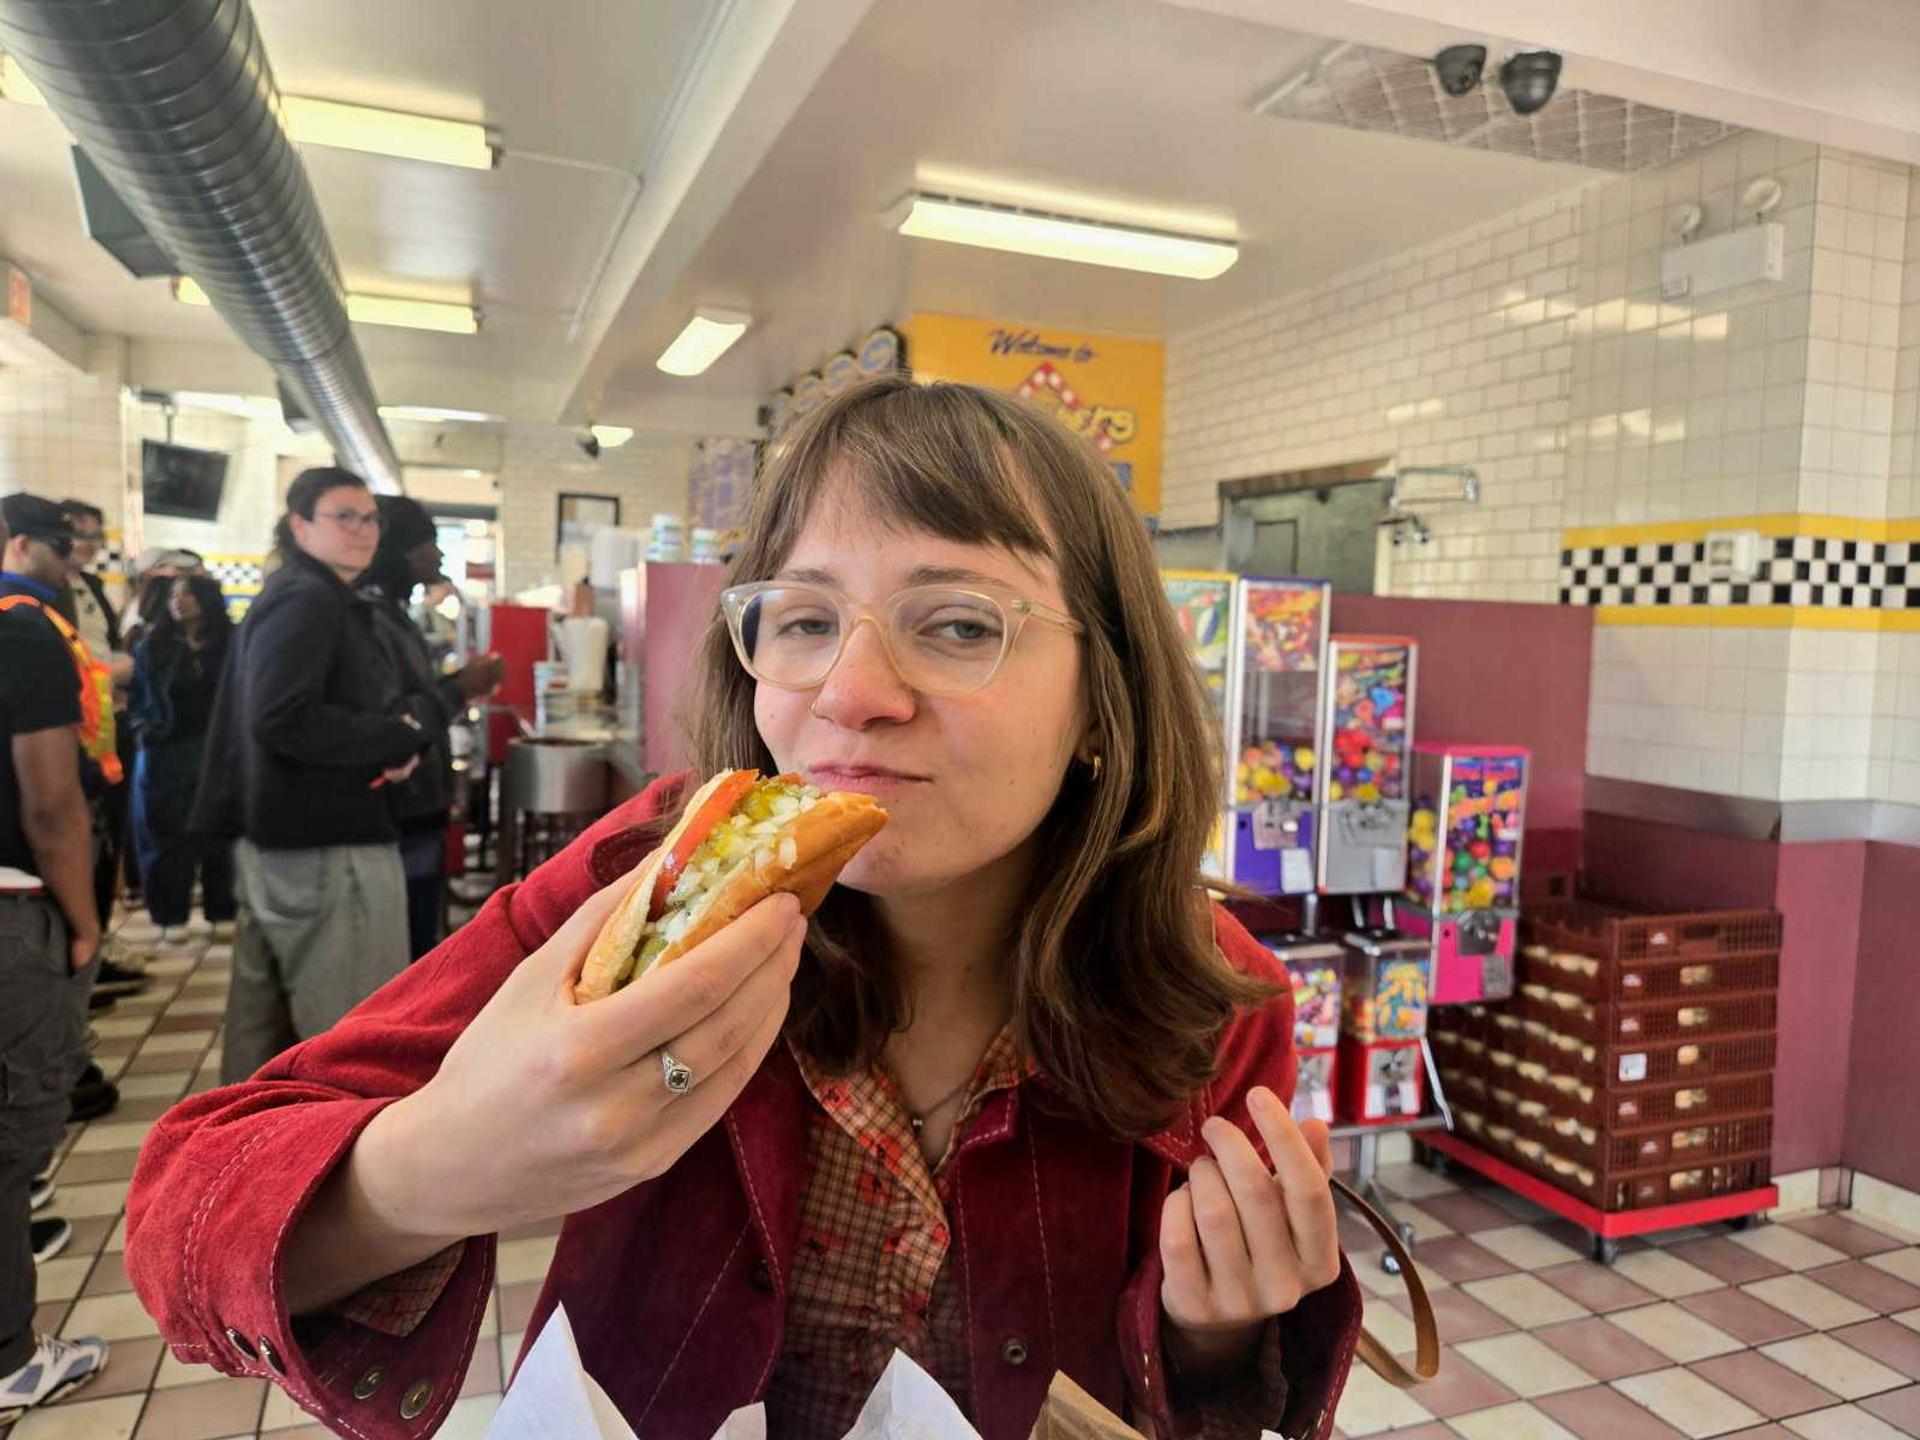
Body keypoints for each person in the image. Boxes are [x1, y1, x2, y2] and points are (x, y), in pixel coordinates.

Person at [125, 380, 1361, 1440]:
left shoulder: (1212, 996)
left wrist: (1210, 1334)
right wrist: (432, 1172)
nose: (852, 693)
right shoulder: (652, 882)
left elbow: (1192, 1399)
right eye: (807, 620)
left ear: (1105, 699)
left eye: (961, 624)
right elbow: (185, 1211)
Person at [191, 467, 434, 1084]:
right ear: (299, 524)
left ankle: (240, 1161)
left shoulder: (305, 592)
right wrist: (395, 737)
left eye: (370, 518)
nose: (362, 530)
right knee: (350, 1035)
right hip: (327, 848)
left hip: (286, 840)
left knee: (262, 1032)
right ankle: (333, 1165)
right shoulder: (309, 599)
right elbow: (281, 716)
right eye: (342, 516)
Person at [0, 502, 110, 1420]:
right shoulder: (28, 632)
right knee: (9, 1137)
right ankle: (9, 1354)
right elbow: (51, 805)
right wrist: (84, 924)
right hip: (14, 910)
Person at [358, 496, 504, 959]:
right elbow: (397, 719)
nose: (438, 556)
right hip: (401, 811)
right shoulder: (372, 619)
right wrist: (460, 688)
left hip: (417, 809)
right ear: (401, 550)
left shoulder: (393, 615)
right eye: (429, 545)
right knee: (406, 945)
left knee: (420, 932)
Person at [129, 575, 236, 944]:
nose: (179, 601)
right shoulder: (152, 646)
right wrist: (146, 729)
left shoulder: (229, 642)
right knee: (164, 835)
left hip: (216, 748)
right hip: (166, 750)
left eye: (188, 594)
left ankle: (222, 909)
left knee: (219, 832)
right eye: (174, 595)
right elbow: (141, 698)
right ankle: (169, 915)